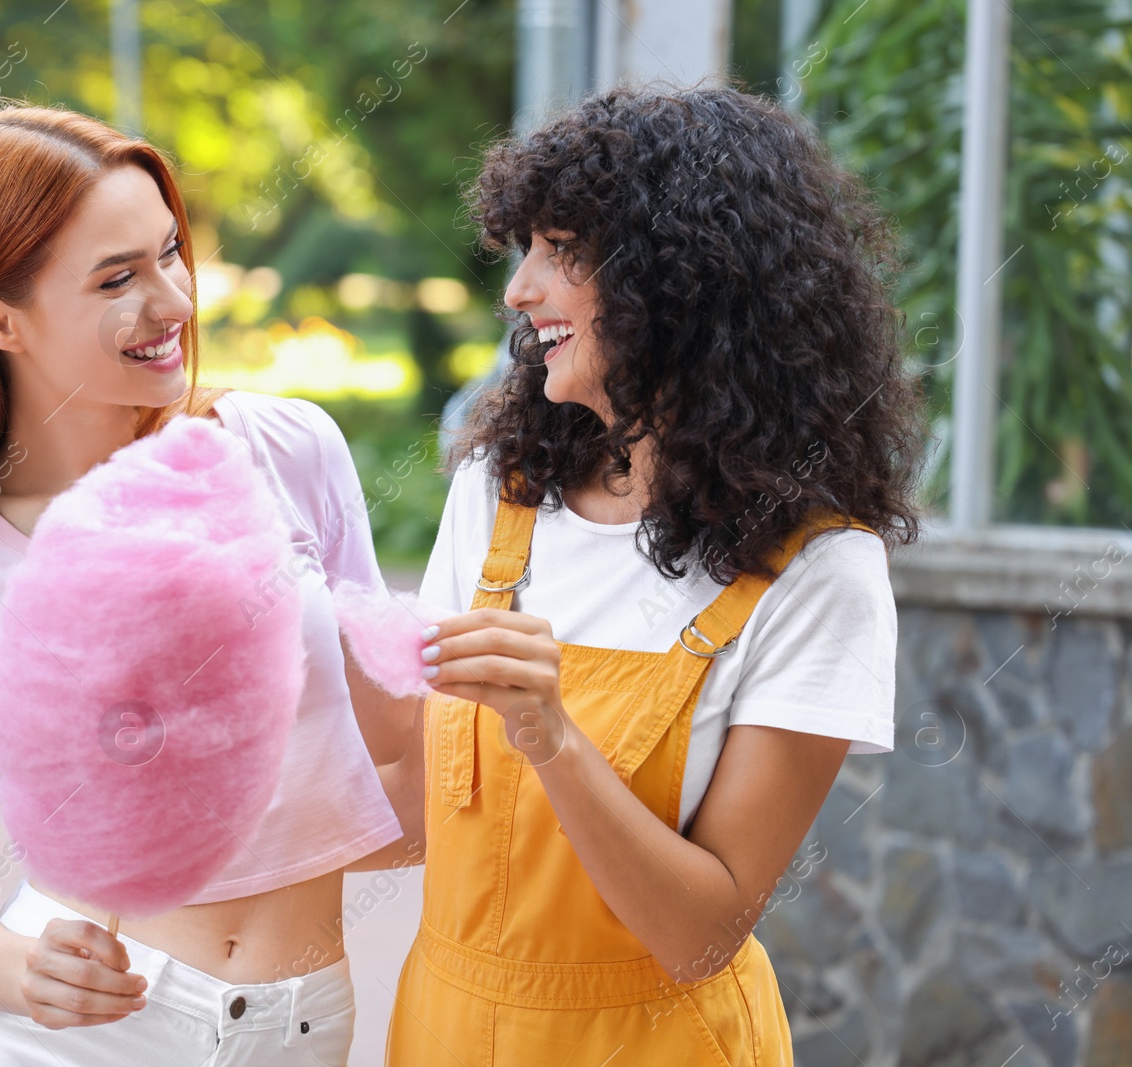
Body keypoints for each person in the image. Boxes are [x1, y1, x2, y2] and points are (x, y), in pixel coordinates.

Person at [0, 102, 415, 1066]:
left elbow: (398, 767)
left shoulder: (288, 448)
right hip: (71, 1039)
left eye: (171, 253)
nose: (175, 302)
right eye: (118, 278)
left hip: (300, 1026)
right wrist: (24, 972)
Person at [372, 84, 926, 1064]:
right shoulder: (496, 497)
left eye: (562, 250)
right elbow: (420, 802)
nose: (519, 290)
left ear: (682, 282)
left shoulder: (818, 568)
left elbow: (700, 936)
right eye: (525, 249)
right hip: (442, 1028)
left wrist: (550, 734)